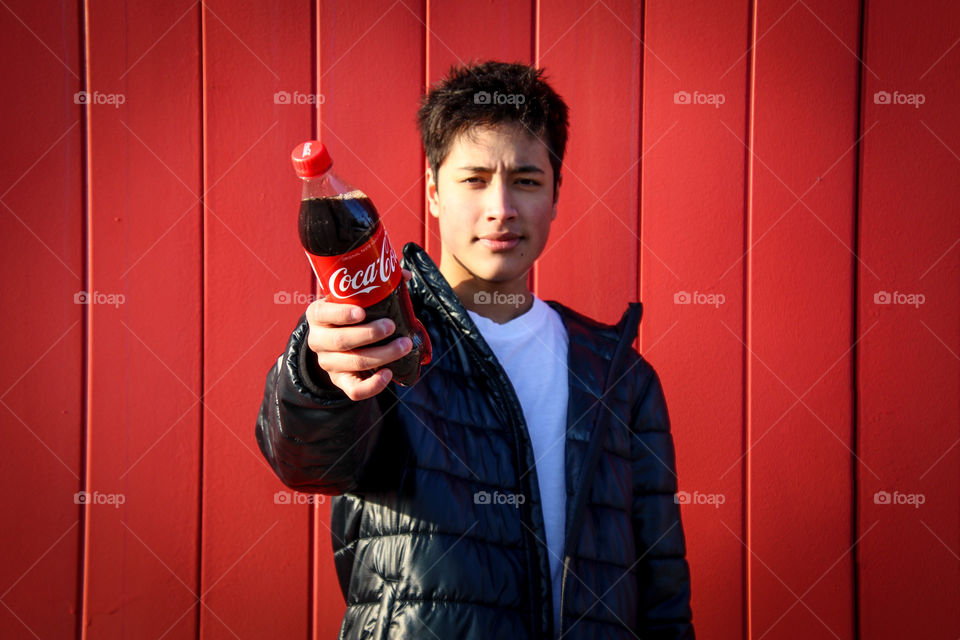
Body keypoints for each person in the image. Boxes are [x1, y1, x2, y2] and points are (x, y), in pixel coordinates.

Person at [256, 60, 695, 639]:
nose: (501, 208)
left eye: (527, 181)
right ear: (434, 192)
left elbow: (661, 584)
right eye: (474, 179)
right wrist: (315, 373)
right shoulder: (379, 336)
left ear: (556, 196)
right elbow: (305, 460)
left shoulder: (620, 375)